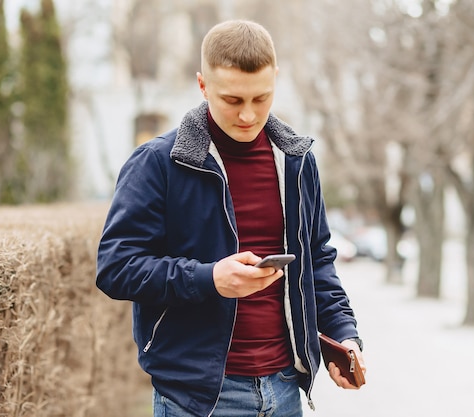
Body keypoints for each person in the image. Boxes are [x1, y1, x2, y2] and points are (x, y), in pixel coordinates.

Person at [96, 19, 365, 417]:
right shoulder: (157, 162)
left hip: (286, 389)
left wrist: (345, 335)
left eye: (261, 98)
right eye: (232, 100)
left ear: (276, 79)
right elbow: (116, 267)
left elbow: (317, 260)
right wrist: (210, 278)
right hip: (198, 398)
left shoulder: (297, 161)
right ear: (203, 86)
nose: (248, 115)